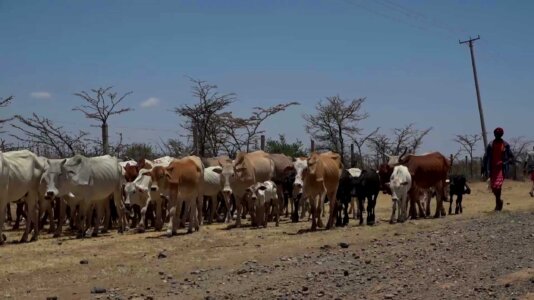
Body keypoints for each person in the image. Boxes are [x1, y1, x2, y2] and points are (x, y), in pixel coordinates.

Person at [482, 127, 514, 211]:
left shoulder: (505, 145)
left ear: (501, 135)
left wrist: (504, 162)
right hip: (492, 169)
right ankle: (499, 201)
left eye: (499, 134)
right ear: (494, 134)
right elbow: (485, 157)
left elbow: (511, 158)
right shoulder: (490, 144)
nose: (497, 136)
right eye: (496, 134)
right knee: (493, 187)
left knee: (498, 186)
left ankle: (497, 205)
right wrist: (483, 167)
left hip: (501, 169)